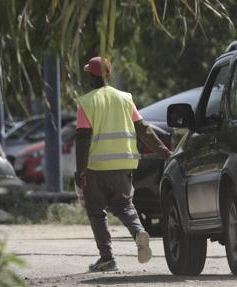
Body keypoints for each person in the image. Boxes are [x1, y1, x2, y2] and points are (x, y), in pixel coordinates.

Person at [75, 56, 171, 272]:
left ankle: (107, 258)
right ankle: (138, 232)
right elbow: (144, 129)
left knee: (97, 211)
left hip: (96, 168)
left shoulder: (86, 102)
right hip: (123, 166)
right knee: (125, 206)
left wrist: (79, 170)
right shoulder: (125, 99)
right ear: (108, 75)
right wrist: (165, 153)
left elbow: (82, 138)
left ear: (91, 76)